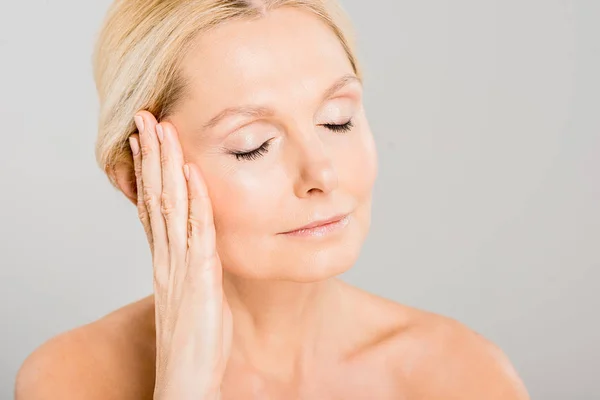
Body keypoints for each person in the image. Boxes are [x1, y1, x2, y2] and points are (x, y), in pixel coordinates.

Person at [15, 1, 530, 399]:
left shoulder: (462, 375)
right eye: (253, 145)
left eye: (337, 119)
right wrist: (185, 384)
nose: (321, 173)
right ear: (138, 180)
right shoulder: (73, 378)